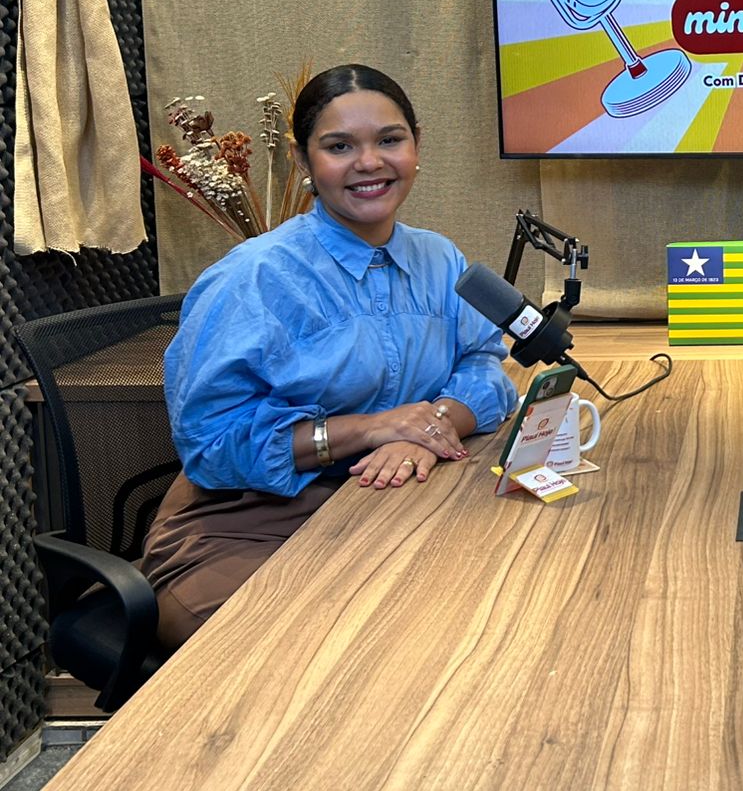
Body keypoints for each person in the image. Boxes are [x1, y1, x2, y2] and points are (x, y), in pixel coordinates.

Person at [142, 64, 517, 648]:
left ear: (417, 148)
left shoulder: (439, 260)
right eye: (340, 146)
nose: (369, 163)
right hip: (245, 522)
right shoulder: (254, 277)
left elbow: (486, 371)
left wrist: (423, 428)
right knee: (317, 656)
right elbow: (213, 447)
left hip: (382, 503)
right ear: (301, 160)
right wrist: (371, 429)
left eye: (389, 140)